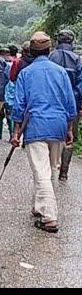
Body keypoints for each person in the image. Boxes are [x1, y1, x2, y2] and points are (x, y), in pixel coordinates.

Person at [11, 31, 77, 233]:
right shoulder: (60, 72)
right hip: (58, 125)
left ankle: (49, 218)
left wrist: (16, 132)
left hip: (36, 126)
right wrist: (69, 129)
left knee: (41, 171)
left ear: (31, 51)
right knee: (50, 169)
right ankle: (39, 207)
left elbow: (19, 106)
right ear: (50, 50)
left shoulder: (26, 73)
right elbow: (70, 104)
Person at [48, 28, 82, 181]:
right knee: (70, 138)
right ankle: (63, 172)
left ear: (58, 41)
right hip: (71, 104)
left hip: (51, 103)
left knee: (50, 134)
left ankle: (49, 167)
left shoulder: (50, 57)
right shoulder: (78, 59)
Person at [0, 45, 17, 140]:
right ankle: (12, 134)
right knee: (10, 115)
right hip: (11, 92)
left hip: (0, 91)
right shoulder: (14, 63)